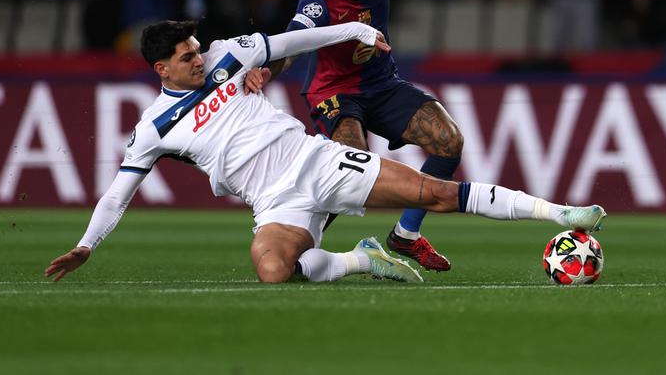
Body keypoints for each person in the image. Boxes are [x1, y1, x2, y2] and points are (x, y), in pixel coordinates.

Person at [45, 19, 607, 284]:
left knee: (433, 194)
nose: (197, 58)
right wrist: (85, 245)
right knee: (272, 269)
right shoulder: (153, 127)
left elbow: (293, 42)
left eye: (195, 49)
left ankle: (561, 213)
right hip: (272, 201)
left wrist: (351, 31)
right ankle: (366, 258)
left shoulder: (228, 57)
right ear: (160, 69)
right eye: (184, 56)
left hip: (315, 160)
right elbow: (119, 193)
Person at [244, 0, 462, 272]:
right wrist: (268, 71)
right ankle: (293, 239)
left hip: (382, 85)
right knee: (351, 162)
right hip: (334, 92)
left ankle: (405, 234)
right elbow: (293, 42)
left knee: (449, 140)